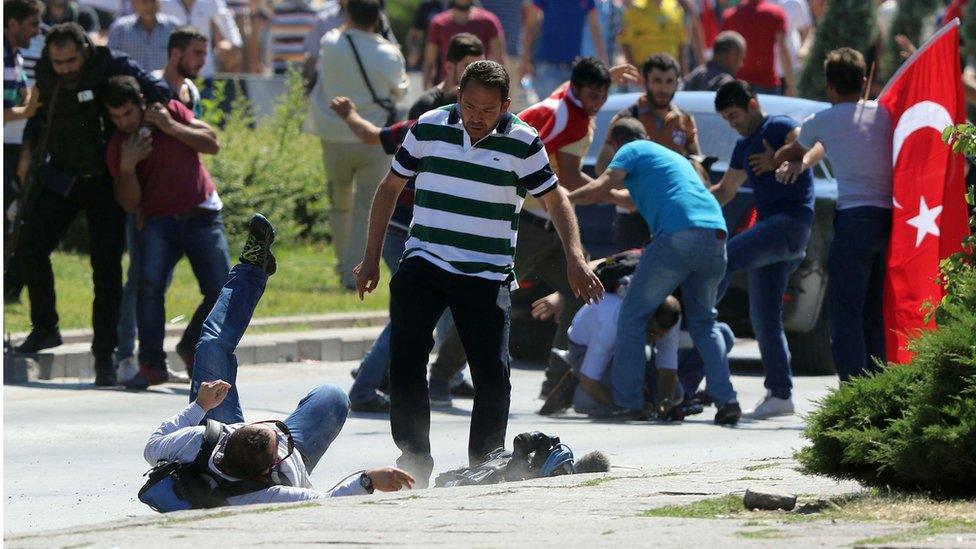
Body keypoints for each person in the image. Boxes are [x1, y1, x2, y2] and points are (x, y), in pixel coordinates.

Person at [355, 60, 603, 485]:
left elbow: (556, 199)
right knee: (407, 357)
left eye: (487, 110)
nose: (476, 117)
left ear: (506, 106)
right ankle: (415, 455)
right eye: (469, 105)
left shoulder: (524, 141)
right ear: (458, 97)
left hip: (485, 273)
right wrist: (371, 256)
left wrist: (575, 258)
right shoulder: (429, 127)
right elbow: (388, 189)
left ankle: (483, 461)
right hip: (425, 260)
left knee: (492, 372)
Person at [145, 214, 416, 506]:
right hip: (288, 457)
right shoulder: (269, 493)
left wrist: (200, 406)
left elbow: (152, 447)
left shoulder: (198, 442)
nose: (276, 429)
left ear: (225, 441)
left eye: (261, 426)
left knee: (211, 345)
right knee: (333, 396)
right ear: (269, 470)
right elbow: (325, 502)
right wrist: (367, 480)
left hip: (241, 448)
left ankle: (251, 268)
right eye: (276, 437)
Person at [13, 23, 171, 386]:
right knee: (30, 246)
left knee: (106, 270)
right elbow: (39, 116)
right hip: (62, 176)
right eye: (58, 62)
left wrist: (147, 129)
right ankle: (45, 327)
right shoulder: (46, 71)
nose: (65, 68)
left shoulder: (113, 64)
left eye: (71, 60)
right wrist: (27, 152)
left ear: (85, 51)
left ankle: (104, 356)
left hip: (105, 180)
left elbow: (157, 92)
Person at [568, 117, 740, 425]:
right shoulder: (668, 160)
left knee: (631, 315)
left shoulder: (631, 149)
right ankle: (727, 401)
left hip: (676, 235)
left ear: (615, 142)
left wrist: (562, 201)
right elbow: (623, 199)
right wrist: (596, 192)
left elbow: (603, 186)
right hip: (716, 235)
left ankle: (629, 402)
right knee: (704, 321)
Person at [103, 75, 230, 389]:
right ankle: (152, 364)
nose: (123, 122)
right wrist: (128, 166)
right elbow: (130, 203)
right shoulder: (120, 145)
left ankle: (191, 346)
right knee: (149, 288)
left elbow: (211, 142)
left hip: (200, 213)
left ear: (142, 105)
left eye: (128, 114)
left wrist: (171, 127)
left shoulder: (169, 111)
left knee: (222, 288)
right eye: (115, 117)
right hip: (159, 221)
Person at [771, 48, 891, 382]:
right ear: (865, 81)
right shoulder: (885, 114)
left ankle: (853, 392)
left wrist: (788, 157)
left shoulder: (822, 120)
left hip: (854, 222)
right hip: (889, 222)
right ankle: (881, 386)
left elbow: (790, 151)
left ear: (829, 87)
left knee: (845, 314)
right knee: (874, 313)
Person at [709, 79, 814, 419]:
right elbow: (725, 191)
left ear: (752, 104)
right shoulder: (742, 148)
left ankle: (700, 319)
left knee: (727, 257)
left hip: (789, 225)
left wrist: (781, 157)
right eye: (726, 118)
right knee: (765, 318)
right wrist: (691, 203)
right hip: (772, 235)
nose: (732, 123)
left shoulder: (777, 125)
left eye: (735, 115)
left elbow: (804, 140)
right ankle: (780, 396)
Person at [306, 0, 407, 290]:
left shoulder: (331, 42)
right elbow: (399, 92)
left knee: (339, 202)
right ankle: (354, 272)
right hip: (371, 135)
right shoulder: (389, 53)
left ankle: (341, 265)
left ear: (348, 13)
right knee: (367, 205)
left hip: (333, 132)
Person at [597, 53, 700, 251]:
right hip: (634, 216)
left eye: (669, 81)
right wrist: (631, 192)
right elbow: (603, 165)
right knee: (629, 275)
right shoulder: (627, 117)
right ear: (646, 81)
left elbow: (697, 163)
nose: (663, 88)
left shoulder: (684, 120)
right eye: (657, 81)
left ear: (677, 83)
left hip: (672, 215)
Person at [565, 287, 684, 419]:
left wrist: (664, 401)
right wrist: (625, 407)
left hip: (623, 349)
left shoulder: (671, 319)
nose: (656, 339)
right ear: (644, 319)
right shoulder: (611, 323)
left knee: (676, 394)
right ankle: (575, 385)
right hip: (582, 347)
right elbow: (589, 381)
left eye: (661, 336)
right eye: (652, 332)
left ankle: (639, 398)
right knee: (606, 401)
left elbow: (667, 369)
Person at [3, 0, 43, 304]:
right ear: (12, 23)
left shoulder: (14, 55)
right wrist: (27, 110)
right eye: (32, 24)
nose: (38, 31)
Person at [301, 0, 397, 90]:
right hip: (330, 94)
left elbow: (393, 51)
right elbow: (311, 58)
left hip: (369, 91)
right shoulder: (324, 20)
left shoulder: (374, 16)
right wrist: (306, 89)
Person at [520, 0, 607, 99]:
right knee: (549, 112)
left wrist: (603, 59)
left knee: (571, 112)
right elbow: (530, 25)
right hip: (548, 66)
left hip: (574, 69)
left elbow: (595, 27)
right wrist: (525, 59)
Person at [422, 0, 505, 89]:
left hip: (480, 89)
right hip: (448, 89)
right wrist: (427, 88)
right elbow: (429, 62)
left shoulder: (489, 21)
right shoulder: (438, 23)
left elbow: (499, 60)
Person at [720, 0, 794, 96]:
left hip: (738, 84)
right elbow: (783, 50)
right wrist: (790, 84)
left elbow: (722, 51)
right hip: (768, 85)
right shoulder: (775, 13)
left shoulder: (729, 16)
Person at [408, 32, 484, 119]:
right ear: (449, 67)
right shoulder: (425, 108)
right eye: (469, 66)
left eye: (481, 66)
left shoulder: (486, 105)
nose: (477, 72)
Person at [160, 0, 243, 79]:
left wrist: (233, 45)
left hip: (205, 70)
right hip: (173, 70)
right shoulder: (165, 3)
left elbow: (227, 23)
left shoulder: (212, 2)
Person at [107, 0, 181, 73]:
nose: (149, 5)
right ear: (134, 3)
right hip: (132, 82)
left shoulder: (173, 26)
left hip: (165, 82)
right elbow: (110, 59)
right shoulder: (120, 28)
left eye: (153, 1)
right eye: (144, 1)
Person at [618, 0, 689, 75]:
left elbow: (681, 44)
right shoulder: (635, 8)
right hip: (643, 75)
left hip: (670, 77)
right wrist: (634, 72)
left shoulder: (675, 7)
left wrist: (684, 73)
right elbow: (625, 43)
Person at [406, 0, 449, 69]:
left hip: (456, 60)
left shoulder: (462, 5)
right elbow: (414, 34)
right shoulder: (427, 6)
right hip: (431, 61)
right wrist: (414, 50)